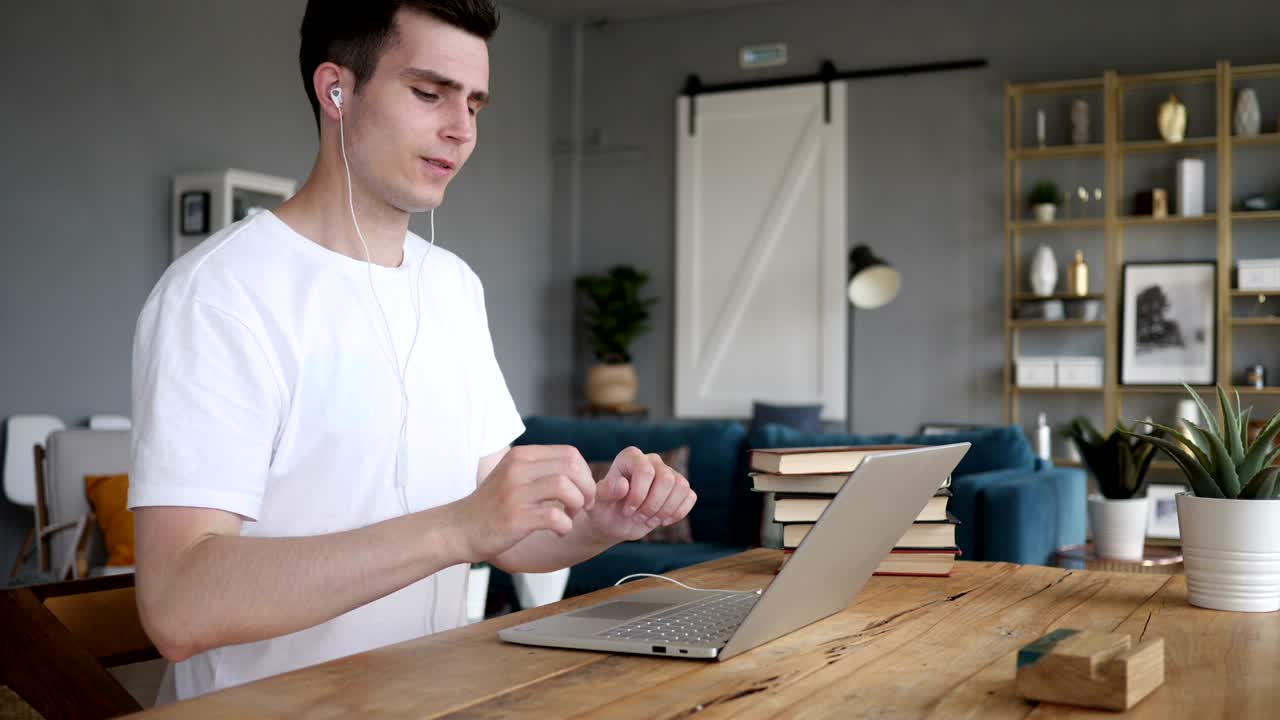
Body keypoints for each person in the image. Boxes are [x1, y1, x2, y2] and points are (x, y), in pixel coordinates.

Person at [128, 0, 695, 701]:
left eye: (476, 104)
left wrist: (601, 523)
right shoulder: (218, 296)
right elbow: (179, 608)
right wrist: (457, 527)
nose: (461, 130)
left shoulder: (453, 287)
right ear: (336, 90)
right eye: (429, 93)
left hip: (433, 701)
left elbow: (506, 536)